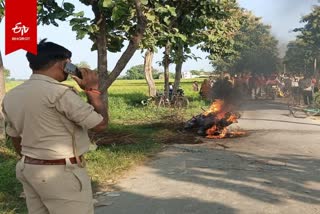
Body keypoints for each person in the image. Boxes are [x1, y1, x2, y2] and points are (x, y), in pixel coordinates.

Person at [2, 39, 107, 214]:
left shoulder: (13, 95)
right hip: (60, 174)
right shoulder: (60, 93)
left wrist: (35, 159)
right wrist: (92, 91)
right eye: (70, 62)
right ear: (63, 64)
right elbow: (100, 125)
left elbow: (15, 136)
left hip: (28, 168)